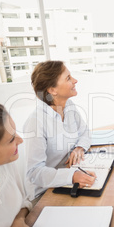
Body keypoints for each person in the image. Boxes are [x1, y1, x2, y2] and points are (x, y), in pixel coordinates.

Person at [24, 60, 95, 199]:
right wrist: (72, 176)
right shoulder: (36, 122)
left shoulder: (69, 106)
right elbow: (34, 172)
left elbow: (85, 132)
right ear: (52, 90)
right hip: (46, 192)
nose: (75, 80)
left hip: (70, 179)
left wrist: (79, 147)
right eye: (68, 78)